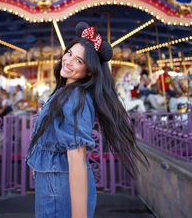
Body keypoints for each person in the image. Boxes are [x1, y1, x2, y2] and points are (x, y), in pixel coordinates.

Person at [26, 22, 147, 218]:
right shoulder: (66, 92)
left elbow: (77, 158)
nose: (68, 60)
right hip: (54, 183)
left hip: (59, 187)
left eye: (79, 61)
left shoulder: (74, 97)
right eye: (70, 53)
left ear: (89, 71)